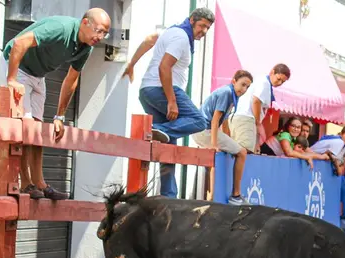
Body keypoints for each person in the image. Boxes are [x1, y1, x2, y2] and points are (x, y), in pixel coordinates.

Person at [1, 9, 111, 200]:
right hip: (18, 67)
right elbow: (20, 42)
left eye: (104, 33)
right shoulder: (61, 28)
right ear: (85, 22)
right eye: (98, 30)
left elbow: (71, 80)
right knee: (27, 127)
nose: (100, 37)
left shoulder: (86, 47)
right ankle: (26, 183)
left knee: (40, 131)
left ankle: (40, 183)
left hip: (38, 75)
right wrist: (11, 79)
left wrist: (60, 116)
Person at [122, 8, 214, 198]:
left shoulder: (171, 31)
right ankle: (156, 129)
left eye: (208, 28)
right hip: (162, 90)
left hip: (147, 90)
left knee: (168, 147)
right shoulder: (181, 38)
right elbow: (165, 67)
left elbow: (149, 40)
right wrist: (172, 101)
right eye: (202, 26)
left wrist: (132, 64)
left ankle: (169, 195)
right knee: (199, 120)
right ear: (191, 21)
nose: (204, 31)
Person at [191, 70, 253, 205]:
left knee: (228, 153)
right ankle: (236, 196)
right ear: (233, 81)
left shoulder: (231, 95)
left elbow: (224, 121)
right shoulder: (226, 93)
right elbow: (215, 121)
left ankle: (212, 196)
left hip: (200, 130)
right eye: (243, 85)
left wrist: (230, 141)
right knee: (242, 153)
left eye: (247, 87)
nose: (244, 89)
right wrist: (214, 145)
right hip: (203, 131)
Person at [229, 64, 291, 153]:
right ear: (272, 72)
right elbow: (256, 101)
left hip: (242, 117)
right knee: (245, 152)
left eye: (283, 81)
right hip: (247, 118)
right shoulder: (264, 82)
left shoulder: (262, 81)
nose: (280, 83)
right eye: (278, 79)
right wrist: (258, 123)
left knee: (241, 151)